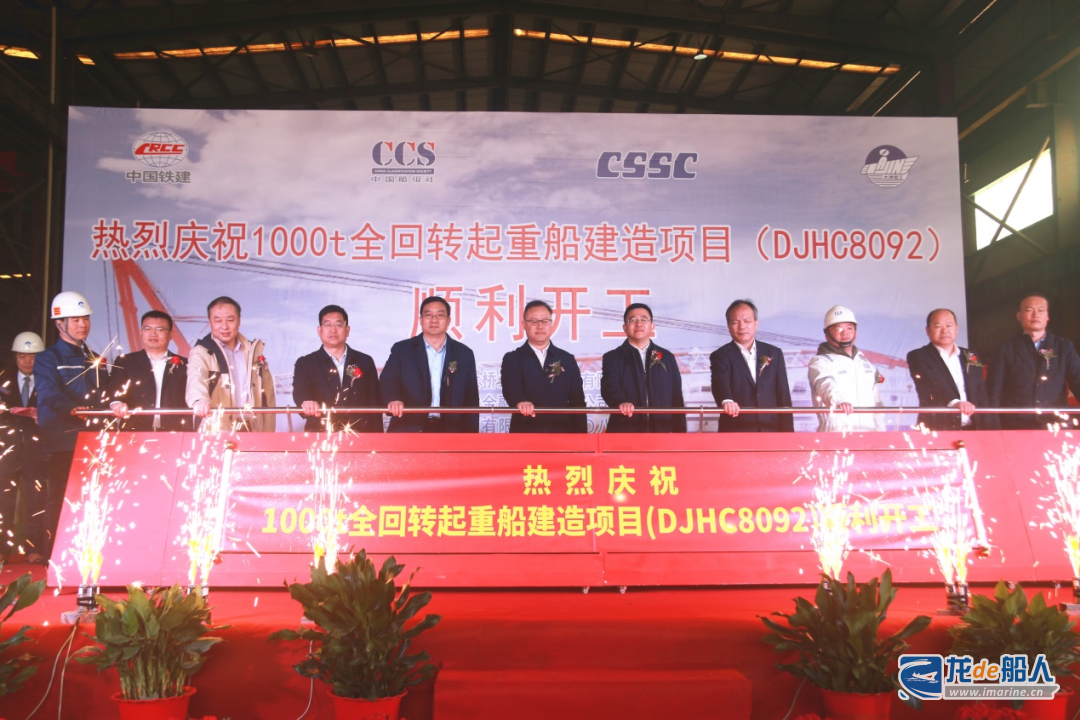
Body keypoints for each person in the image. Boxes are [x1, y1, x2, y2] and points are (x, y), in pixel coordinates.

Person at [34, 291, 109, 559]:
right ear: (60, 324)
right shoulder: (48, 358)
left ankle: (86, 554)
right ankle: (53, 556)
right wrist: (73, 408)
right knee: (60, 497)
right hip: (62, 440)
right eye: (75, 320)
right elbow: (48, 392)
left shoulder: (95, 358)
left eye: (85, 319)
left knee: (92, 497)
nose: (82, 325)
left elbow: (106, 394)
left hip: (92, 438)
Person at [380, 296, 479, 433]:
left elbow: (471, 397)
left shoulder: (463, 353)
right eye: (428, 315)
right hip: (410, 427)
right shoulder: (403, 350)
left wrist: (472, 435)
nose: (434, 320)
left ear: (448, 320)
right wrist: (393, 399)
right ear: (421, 320)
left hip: (452, 429)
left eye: (440, 315)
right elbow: (388, 379)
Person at [987, 293, 1080, 430]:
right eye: (1029, 310)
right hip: (1016, 426)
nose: (1036, 315)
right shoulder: (1004, 349)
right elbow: (994, 391)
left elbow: (1077, 381)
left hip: (1056, 425)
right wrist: (993, 428)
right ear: (1019, 316)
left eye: (1041, 310)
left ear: (1047, 316)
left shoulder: (1064, 347)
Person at [186, 296, 276, 432]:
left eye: (230, 320)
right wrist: (199, 400)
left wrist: (268, 432)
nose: (224, 326)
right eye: (218, 320)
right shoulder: (201, 352)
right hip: (218, 428)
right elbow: (196, 378)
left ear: (239, 320)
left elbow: (268, 396)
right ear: (210, 323)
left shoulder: (253, 351)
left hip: (253, 426)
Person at [500, 300, 587, 433]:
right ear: (524, 324)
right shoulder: (513, 358)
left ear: (551, 323)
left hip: (562, 433)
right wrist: (520, 401)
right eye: (534, 321)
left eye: (545, 321)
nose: (540, 326)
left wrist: (582, 438)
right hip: (525, 432)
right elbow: (510, 388)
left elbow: (578, 401)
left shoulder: (566, 359)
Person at [293, 304, 381, 433]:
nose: (333, 330)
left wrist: (378, 438)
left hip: (360, 434)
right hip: (321, 434)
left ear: (347, 330)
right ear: (319, 330)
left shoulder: (364, 361)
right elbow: (301, 391)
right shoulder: (306, 363)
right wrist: (306, 402)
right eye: (327, 324)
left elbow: (374, 402)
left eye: (339, 325)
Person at [709, 299, 793, 432]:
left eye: (747, 321)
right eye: (735, 322)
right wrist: (726, 400)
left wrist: (788, 434)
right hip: (736, 430)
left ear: (756, 324)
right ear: (728, 326)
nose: (741, 326)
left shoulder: (774, 353)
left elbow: (783, 396)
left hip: (771, 430)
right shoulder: (720, 355)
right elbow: (720, 382)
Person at [907, 308, 998, 431]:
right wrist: (954, 403)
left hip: (975, 428)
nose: (945, 330)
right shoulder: (918, 356)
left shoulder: (970, 355)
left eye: (949, 325)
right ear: (928, 331)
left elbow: (980, 392)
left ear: (956, 328)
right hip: (939, 428)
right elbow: (929, 384)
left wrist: (991, 427)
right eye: (938, 326)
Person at [600, 303, 686, 433]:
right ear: (625, 327)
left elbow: (677, 398)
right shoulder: (613, 358)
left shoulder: (667, 357)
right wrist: (620, 402)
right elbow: (609, 387)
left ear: (652, 326)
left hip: (663, 431)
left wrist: (681, 435)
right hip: (625, 430)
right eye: (632, 320)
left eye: (644, 319)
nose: (638, 324)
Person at [0, 332, 46, 562]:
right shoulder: (3, 381)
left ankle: (35, 549)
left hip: (36, 450)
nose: (27, 361)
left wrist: (44, 416)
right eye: (22, 356)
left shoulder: (49, 381)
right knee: (3, 500)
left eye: (33, 356)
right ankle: (1, 550)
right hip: (6, 449)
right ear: (15, 357)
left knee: (36, 500)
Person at [106, 310, 190, 431]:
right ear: (141, 332)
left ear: (171, 334)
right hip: (135, 430)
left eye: (160, 329)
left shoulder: (185, 364)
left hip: (176, 431)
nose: (153, 334)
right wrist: (117, 402)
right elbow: (115, 386)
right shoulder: (125, 362)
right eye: (148, 329)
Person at [807, 305, 884, 432]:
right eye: (838, 329)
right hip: (836, 433)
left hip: (869, 434)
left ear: (855, 331)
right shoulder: (820, 362)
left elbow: (876, 403)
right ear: (827, 335)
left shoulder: (864, 363)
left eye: (849, 328)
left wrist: (881, 433)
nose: (845, 333)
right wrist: (839, 401)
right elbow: (824, 385)